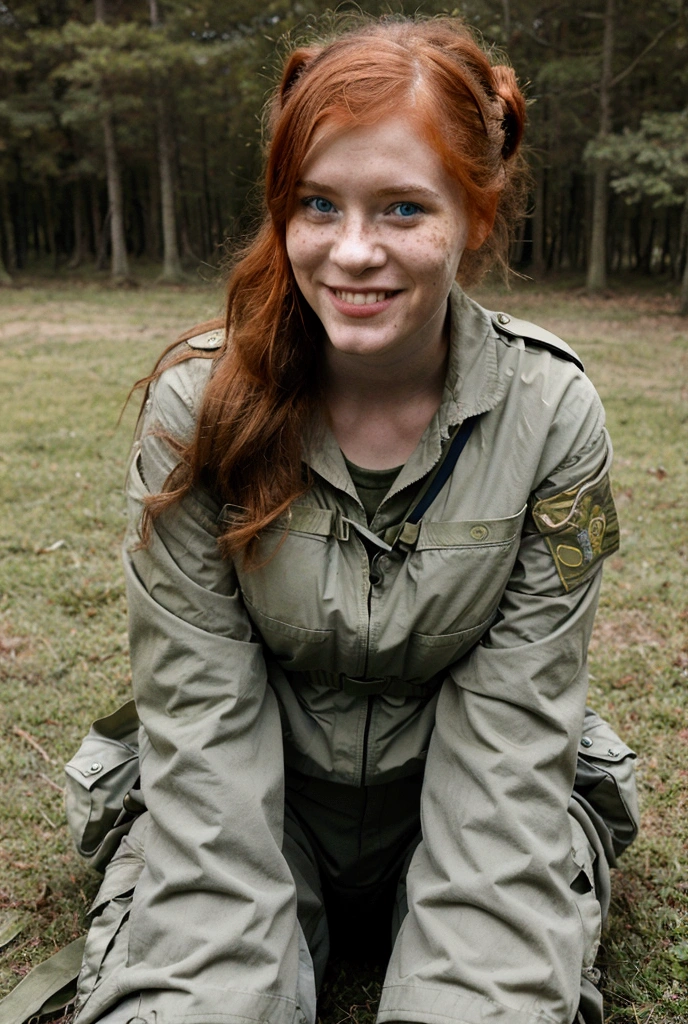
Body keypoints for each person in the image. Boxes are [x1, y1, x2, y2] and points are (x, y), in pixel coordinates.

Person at [69, 15, 639, 1024]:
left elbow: (516, 728)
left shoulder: (555, 417)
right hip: (254, 809)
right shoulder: (192, 414)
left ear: (474, 211)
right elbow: (200, 722)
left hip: (468, 811)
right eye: (318, 205)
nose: (353, 251)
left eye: (404, 208)